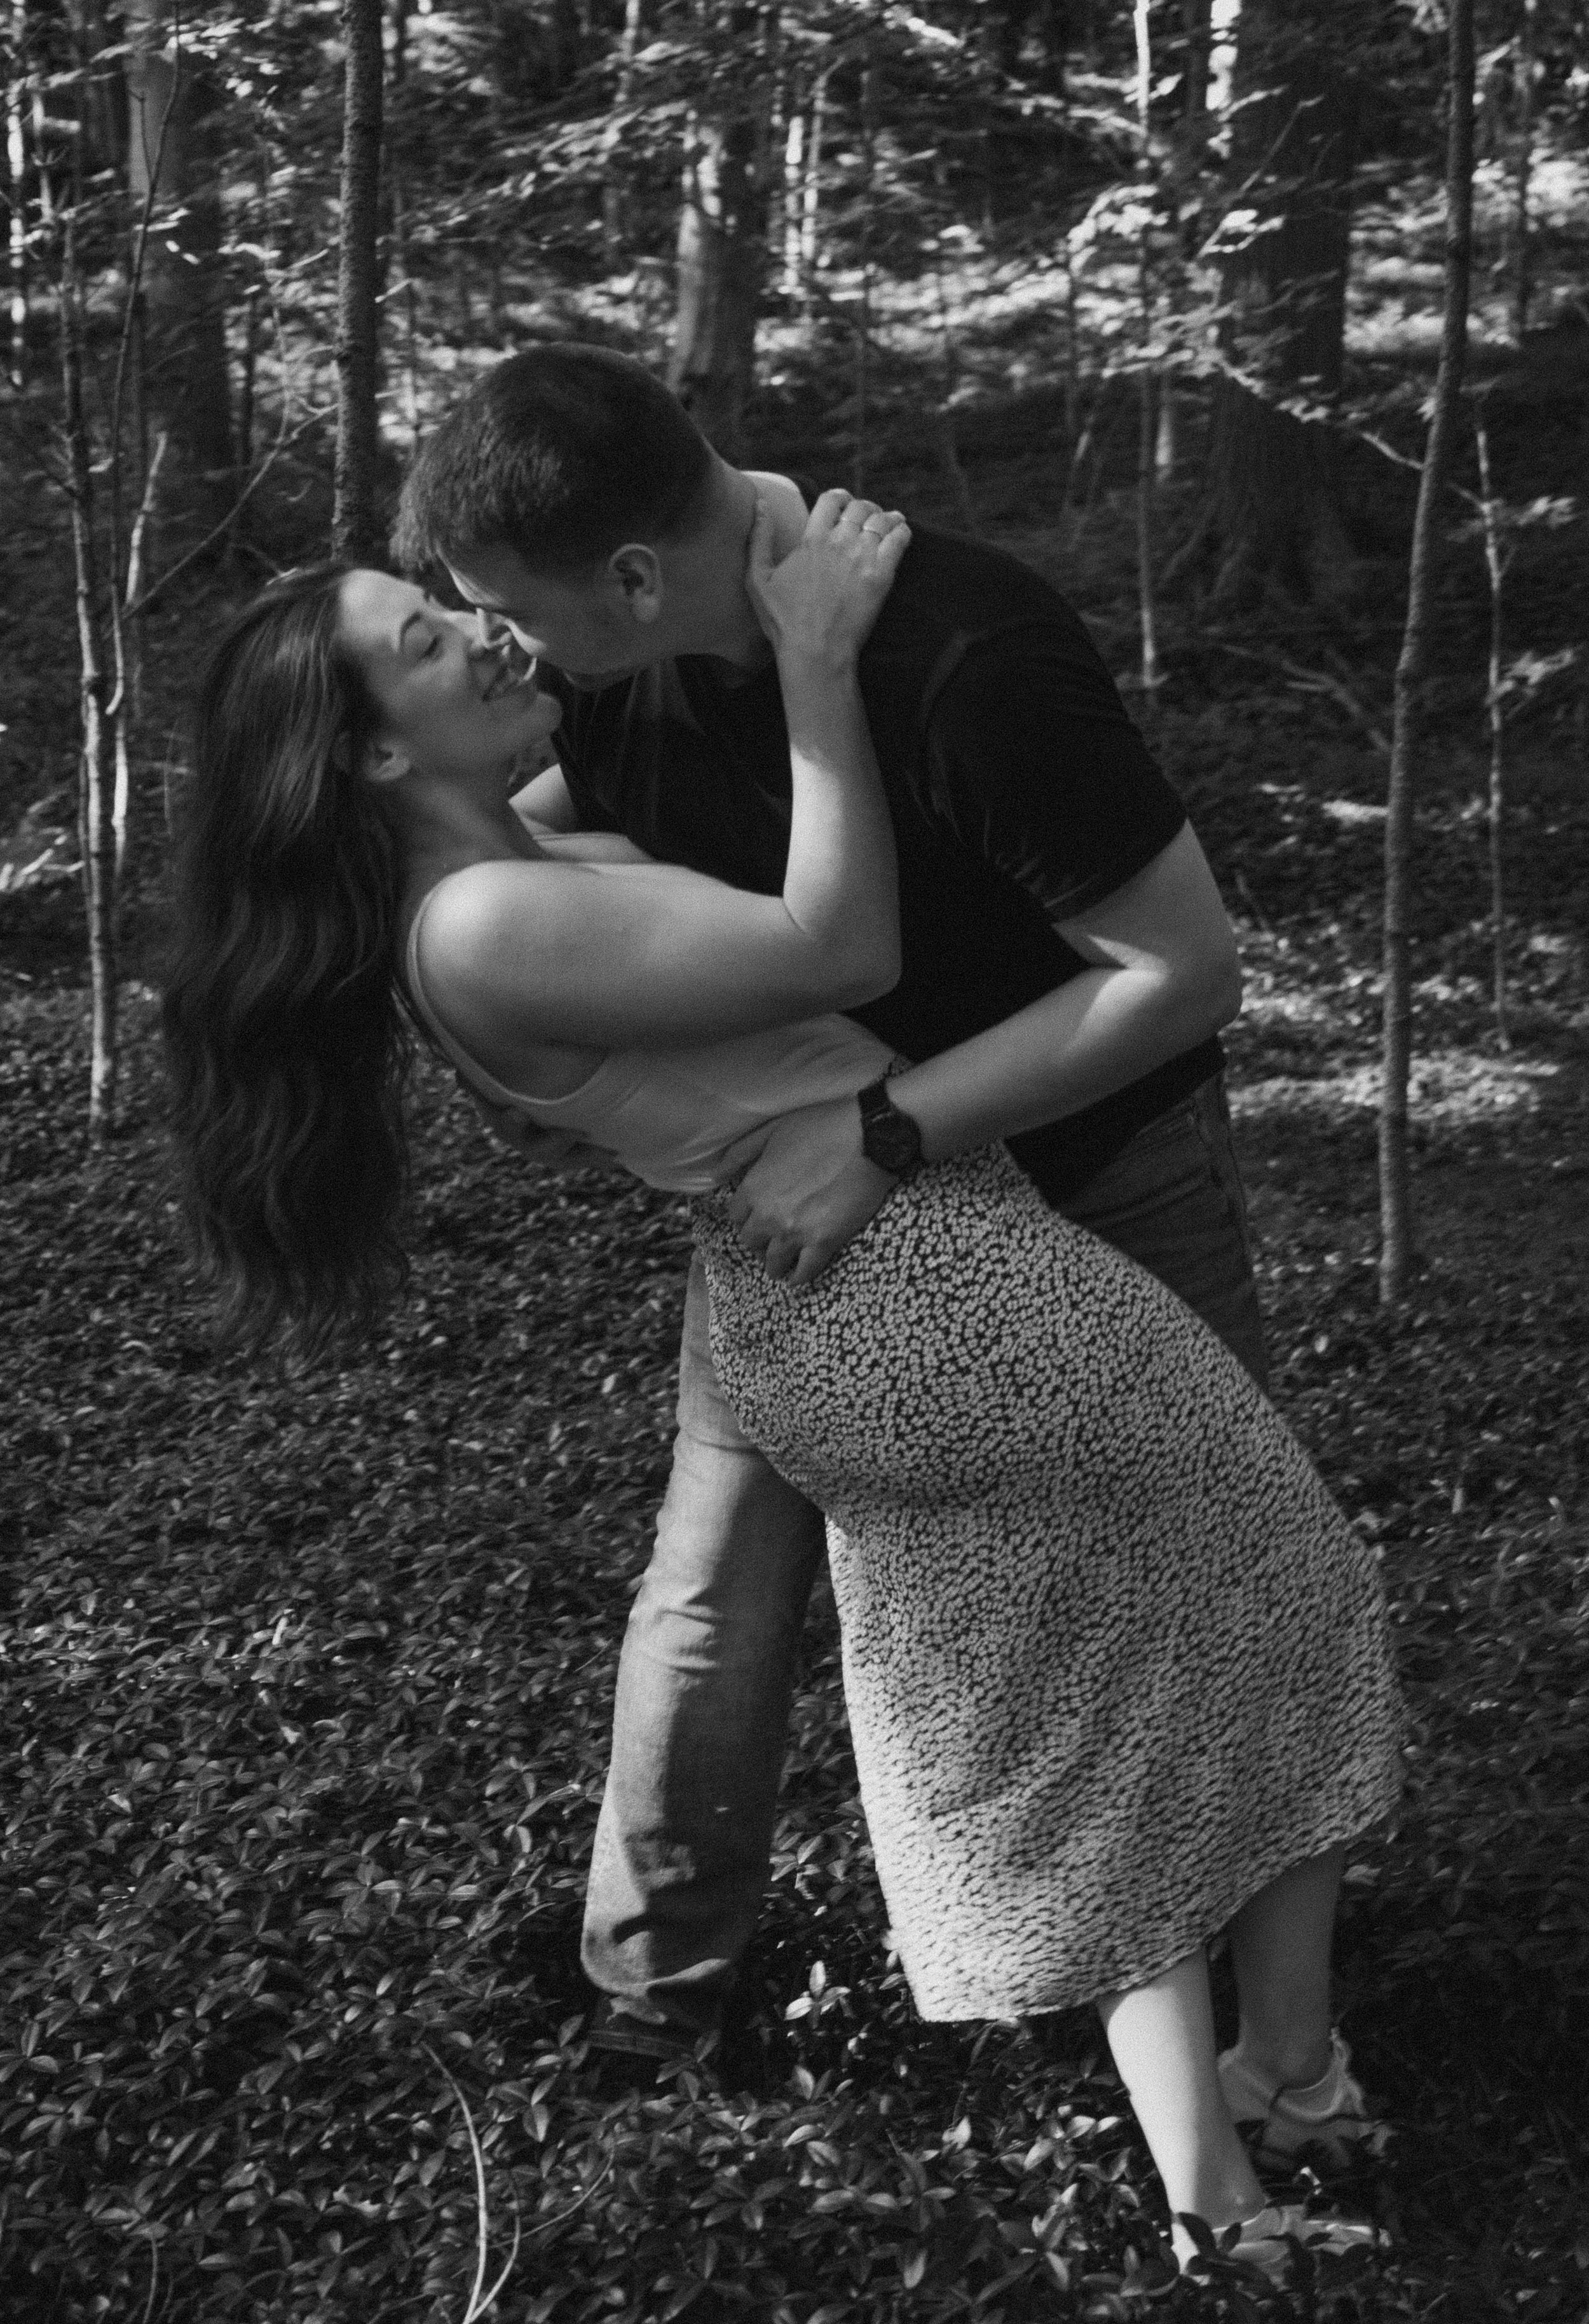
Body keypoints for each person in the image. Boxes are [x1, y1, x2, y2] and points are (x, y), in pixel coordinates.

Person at [163, 497, 1404, 2278]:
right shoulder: (489, 925)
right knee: (1194, 1656)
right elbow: (839, 947)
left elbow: (618, 777)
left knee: (1224, 1625)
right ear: (370, 744)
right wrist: (818, 648)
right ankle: (1227, 2182)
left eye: (463, 604)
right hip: (928, 1299)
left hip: (856, 1298)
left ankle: (1273, 2088)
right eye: (435, 641)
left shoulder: (505, 848)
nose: (485, 633)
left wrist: (698, 579)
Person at [388, 346, 1276, 2084]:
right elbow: (518, 862)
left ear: (635, 579)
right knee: (714, 1588)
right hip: (807, 1219)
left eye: (505, 609)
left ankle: (1242, 1978)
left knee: (1209, 1554)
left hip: (1090, 1168)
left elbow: (1185, 972)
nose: (500, 641)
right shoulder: (629, 678)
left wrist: (883, 1128)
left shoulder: (964, 650)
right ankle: (657, 1984)